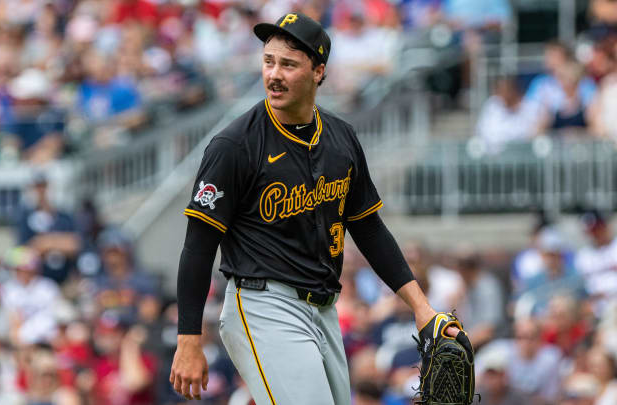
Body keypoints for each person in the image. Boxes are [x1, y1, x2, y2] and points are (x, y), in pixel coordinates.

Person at [169, 12, 462, 404]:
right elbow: (197, 247)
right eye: (268, 61)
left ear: (319, 71)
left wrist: (422, 308)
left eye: (288, 64)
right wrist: (189, 341)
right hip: (263, 304)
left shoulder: (341, 138)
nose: (274, 74)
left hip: (324, 310)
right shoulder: (234, 145)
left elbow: (369, 228)